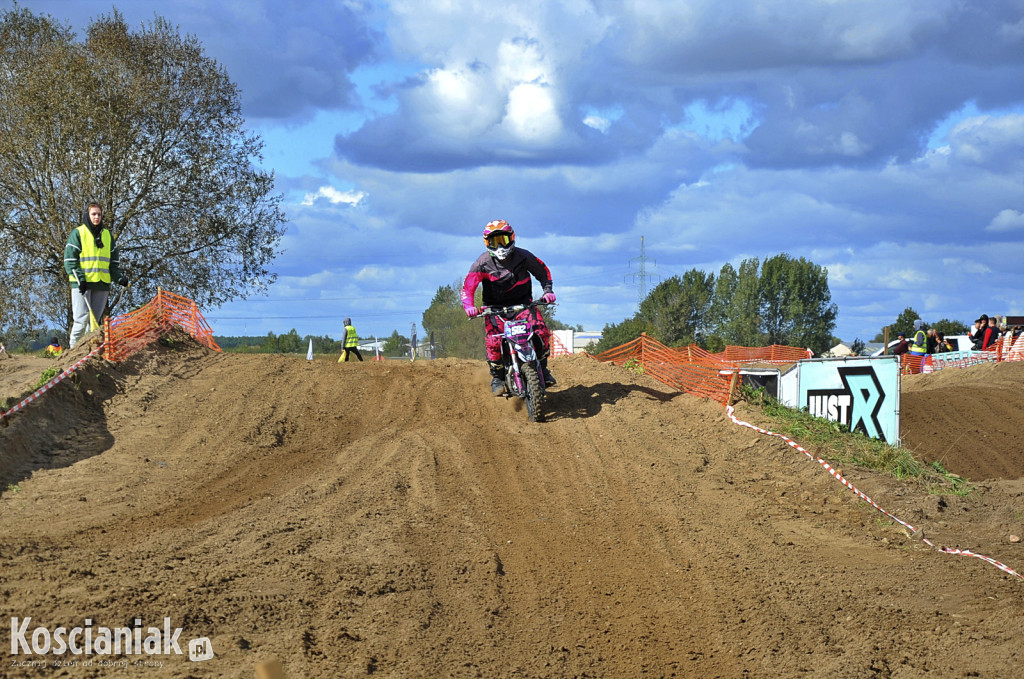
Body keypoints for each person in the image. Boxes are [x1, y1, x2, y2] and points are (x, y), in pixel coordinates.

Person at [461, 219, 556, 395]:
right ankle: (497, 377)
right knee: (494, 341)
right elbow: (468, 288)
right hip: (494, 309)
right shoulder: (481, 263)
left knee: (541, 331)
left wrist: (548, 291)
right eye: (493, 242)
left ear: (511, 238)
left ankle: (543, 368)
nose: (499, 246)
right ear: (486, 243)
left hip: (524, 305)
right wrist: (469, 306)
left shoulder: (524, 256)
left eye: (502, 240)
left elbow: (543, 272)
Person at [64, 202, 127, 348]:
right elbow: (70, 261)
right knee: (81, 320)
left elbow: (113, 263)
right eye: (93, 214)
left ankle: (88, 352)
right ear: (87, 215)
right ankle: (72, 352)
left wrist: (119, 278)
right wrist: (80, 279)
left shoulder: (107, 235)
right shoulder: (78, 233)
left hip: (102, 284)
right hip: (82, 284)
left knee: (94, 323)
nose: (97, 217)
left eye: (99, 214)